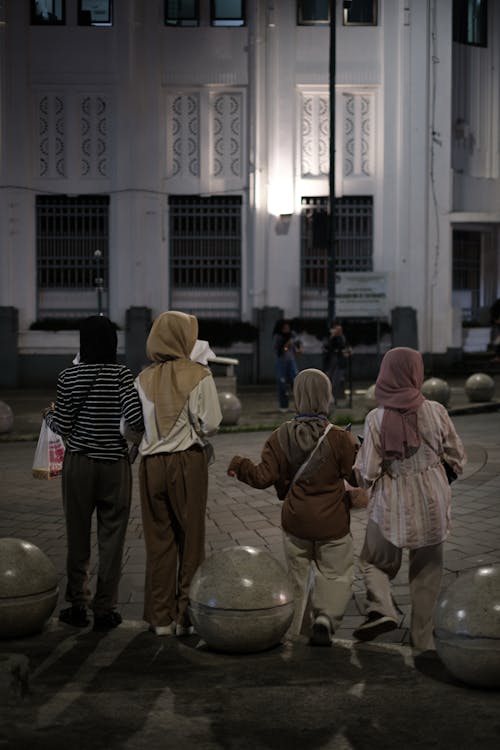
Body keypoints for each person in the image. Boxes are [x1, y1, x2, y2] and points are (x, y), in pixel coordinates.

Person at [228, 368, 360, 646]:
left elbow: (263, 477)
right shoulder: (339, 437)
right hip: (332, 523)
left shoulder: (280, 436)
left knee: (297, 581)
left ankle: (296, 636)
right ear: (326, 396)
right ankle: (325, 617)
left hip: (295, 522)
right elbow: (357, 477)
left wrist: (240, 465)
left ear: (296, 395)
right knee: (336, 574)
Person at [353, 347, 466, 651]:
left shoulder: (376, 418)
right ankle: (423, 639)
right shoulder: (436, 410)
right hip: (432, 500)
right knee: (428, 571)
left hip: (391, 501)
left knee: (373, 560)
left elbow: (369, 471)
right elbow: (457, 457)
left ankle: (383, 608)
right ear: (416, 372)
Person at [44, 315, 144, 631]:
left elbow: (64, 426)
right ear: (113, 342)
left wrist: (49, 416)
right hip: (115, 465)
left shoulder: (68, 377)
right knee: (112, 538)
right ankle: (105, 608)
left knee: (77, 534)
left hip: (79, 465)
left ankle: (77, 604)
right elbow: (136, 422)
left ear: (82, 342)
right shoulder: (123, 375)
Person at [136, 310, 222, 637]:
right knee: (192, 540)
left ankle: (160, 617)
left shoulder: (141, 378)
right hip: (187, 461)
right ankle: (186, 617)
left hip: (150, 465)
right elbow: (211, 423)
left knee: (159, 542)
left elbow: (127, 427)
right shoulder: (199, 375)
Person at [272, 319, 303, 412]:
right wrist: (286, 345)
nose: (287, 329)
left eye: (288, 327)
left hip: (291, 361)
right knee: (282, 382)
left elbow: (297, 344)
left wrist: (299, 349)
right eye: (285, 328)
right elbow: (279, 350)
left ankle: (299, 405)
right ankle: (283, 405)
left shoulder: (292, 335)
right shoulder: (278, 337)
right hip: (281, 361)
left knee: (296, 381)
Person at [323, 322, 351, 405]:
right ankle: (327, 398)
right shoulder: (331, 338)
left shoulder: (342, 338)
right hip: (331, 361)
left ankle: (333, 399)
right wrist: (332, 336)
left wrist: (347, 351)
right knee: (327, 379)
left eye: (340, 330)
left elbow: (345, 347)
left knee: (336, 381)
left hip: (340, 362)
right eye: (337, 330)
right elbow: (327, 347)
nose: (339, 332)